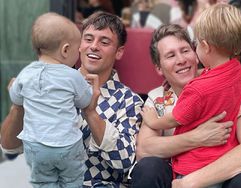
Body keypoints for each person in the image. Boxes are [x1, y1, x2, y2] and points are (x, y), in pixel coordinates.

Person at [1, 11, 144, 187]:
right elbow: (9, 146)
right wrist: (18, 106)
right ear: (78, 45)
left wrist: (91, 114)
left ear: (119, 52)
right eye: (88, 39)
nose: (94, 46)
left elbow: (124, 161)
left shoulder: (128, 100)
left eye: (104, 42)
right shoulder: (44, 82)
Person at [130, 25, 241, 188]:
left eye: (185, 51)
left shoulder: (232, 86)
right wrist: (196, 138)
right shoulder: (157, 97)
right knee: (148, 168)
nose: (181, 60)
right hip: (176, 174)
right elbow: (145, 149)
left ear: (196, 54)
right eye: (170, 55)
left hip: (221, 177)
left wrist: (189, 182)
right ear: (159, 68)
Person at [8, 12, 95, 187]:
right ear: (65, 50)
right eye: (76, 49)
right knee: (72, 180)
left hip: (36, 146)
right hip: (67, 145)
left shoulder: (26, 73)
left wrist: (12, 88)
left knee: (42, 182)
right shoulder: (72, 76)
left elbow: (16, 98)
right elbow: (85, 102)